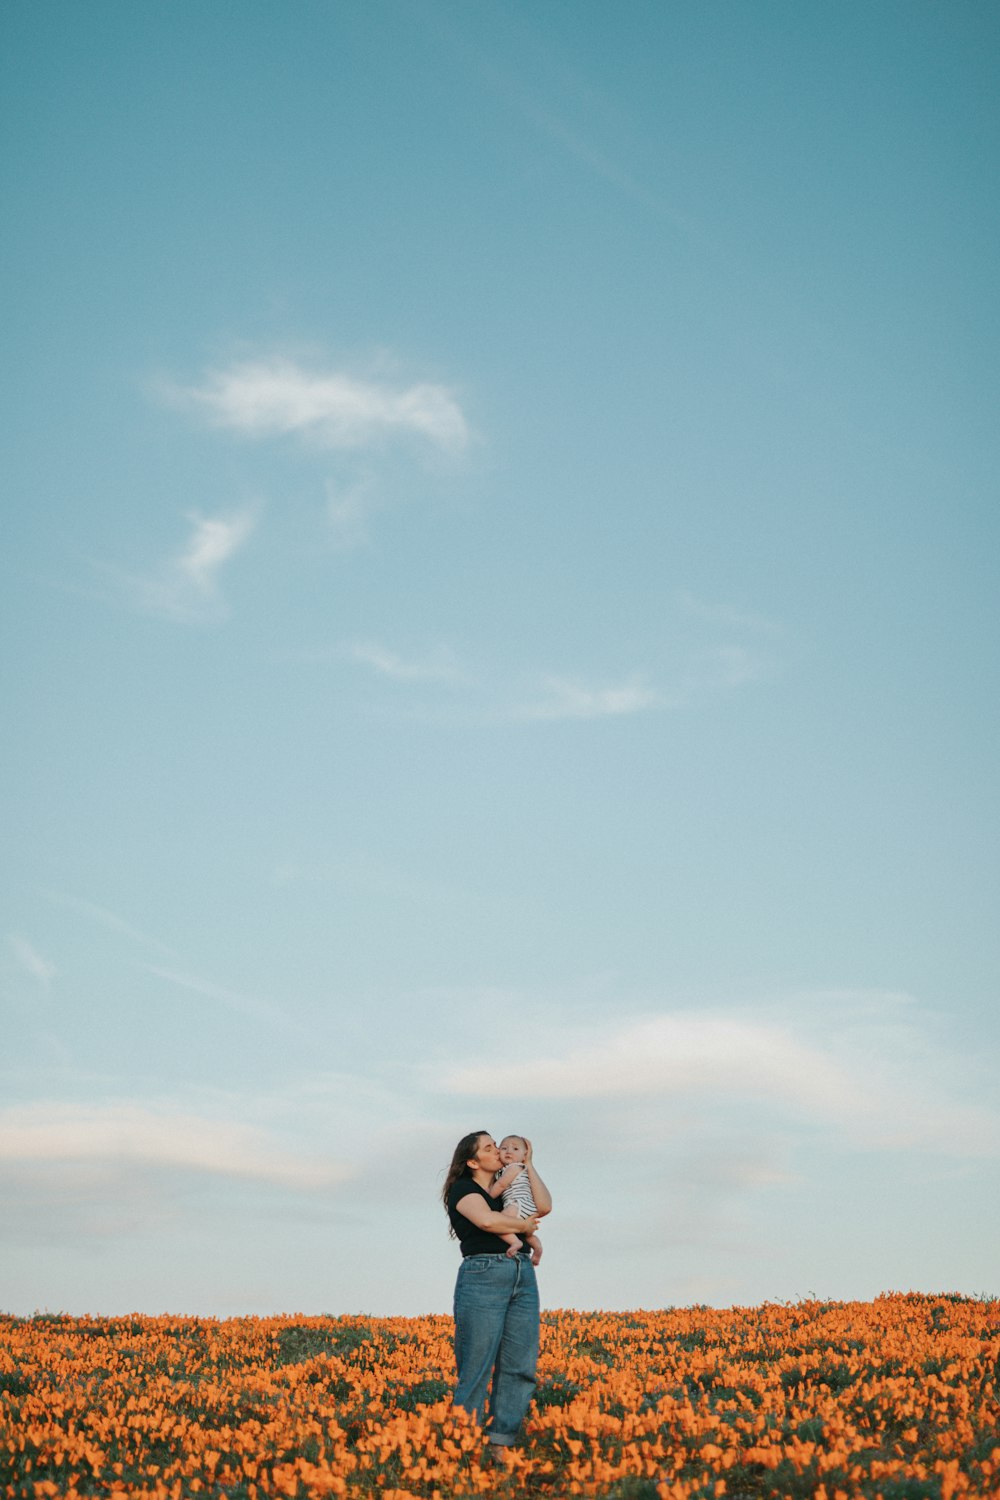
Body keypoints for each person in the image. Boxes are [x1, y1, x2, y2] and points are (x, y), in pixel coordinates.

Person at [442, 1131, 552, 1456]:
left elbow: (544, 1206)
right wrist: (523, 1228)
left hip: (521, 1271)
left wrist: (528, 1164)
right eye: (489, 1148)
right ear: (473, 1161)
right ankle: (460, 1448)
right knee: (476, 1366)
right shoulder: (464, 1189)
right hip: (484, 1273)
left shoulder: (505, 1188)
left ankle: (499, 1445)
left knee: (520, 1365)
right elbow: (488, 1222)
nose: (498, 1151)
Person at [488, 1135, 543, 1264]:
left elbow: (501, 1185)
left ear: (525, 1156)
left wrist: (488, 1196)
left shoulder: (515, 1167)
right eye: (504, 1148)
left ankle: (515, 1242)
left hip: (518, 1203)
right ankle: (537, 1247)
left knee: (499, 1222)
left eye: (515, 1149)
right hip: (526, 1207)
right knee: (527, 1234)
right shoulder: (504, 1170)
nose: (509, 1151)